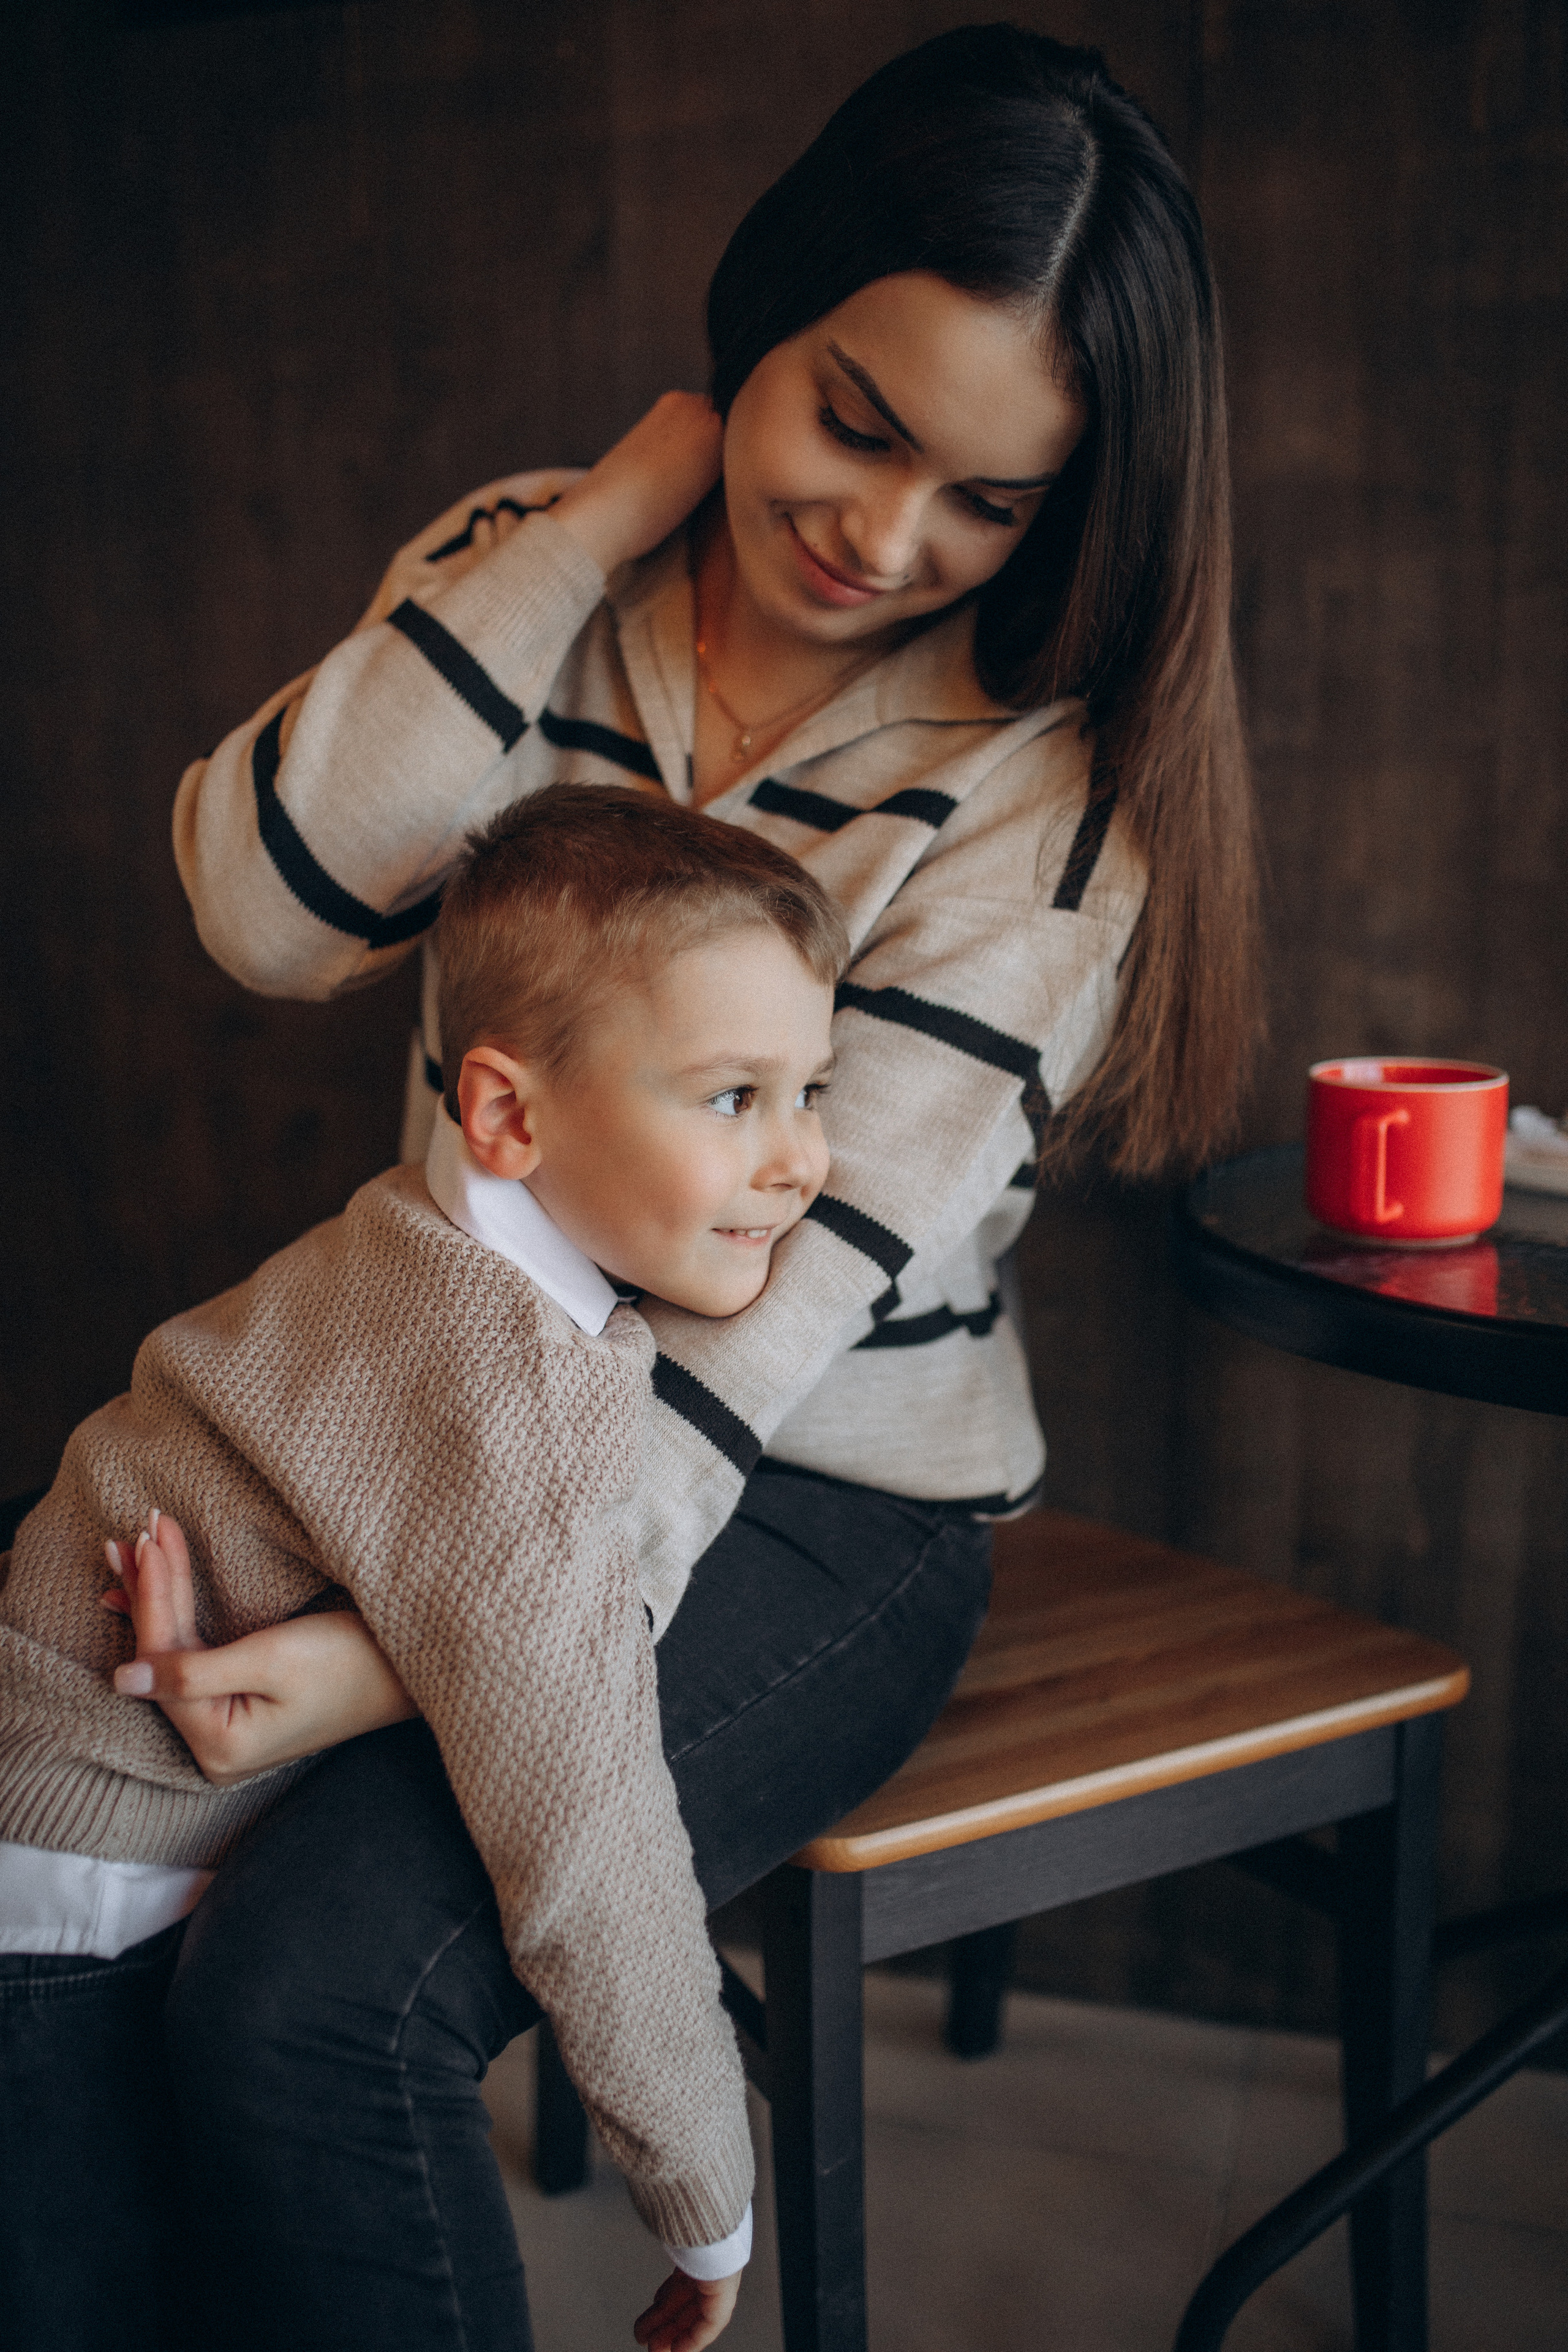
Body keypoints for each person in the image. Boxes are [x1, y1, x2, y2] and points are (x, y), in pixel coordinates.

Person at [34, 24, 1258, 2351]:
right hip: (451, 1414)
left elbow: (771, 1304)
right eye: (852, 417)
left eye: (989, 501)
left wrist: (405, 1655)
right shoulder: (532, 570)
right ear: (762, 313)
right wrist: (594, 525)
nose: (882, 535)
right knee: (47, 1785)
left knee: (315, 2000)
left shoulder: (1044, 797)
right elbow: (266, 910)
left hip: (800, 1492)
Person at [0, 783, 853, 2352]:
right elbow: (586, 1825)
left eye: (815, 1085)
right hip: (61, 1929)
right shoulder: (503, 1385)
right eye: (733, 1097)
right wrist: (705, 2188)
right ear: (508, 1115)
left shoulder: (426, 1242)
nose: (804, 1159)